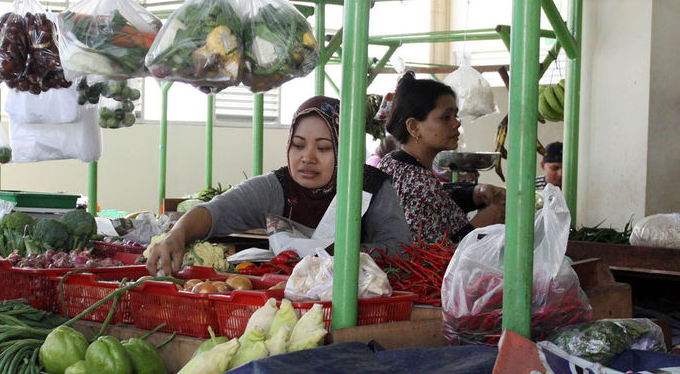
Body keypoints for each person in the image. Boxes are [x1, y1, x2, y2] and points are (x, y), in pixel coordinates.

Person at [145, 96, 412, 276]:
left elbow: (402, 251)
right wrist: (176, 235)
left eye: (323, 148)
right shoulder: (279, 187)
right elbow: (215, 211)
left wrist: (349, 254)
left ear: (347, 151)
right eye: (298, 145)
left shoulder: (371, 187)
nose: (307, 157)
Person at [379, 72, 506, 243]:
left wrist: (474, 194)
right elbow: (429, 257)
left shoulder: (392, 162)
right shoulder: (419, 182)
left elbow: (434, 207)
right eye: (446, 117)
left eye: (455, 116)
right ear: (414, 127)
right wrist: (481, 224)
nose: (456, 123)